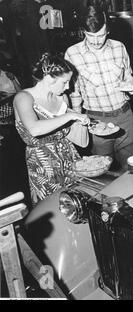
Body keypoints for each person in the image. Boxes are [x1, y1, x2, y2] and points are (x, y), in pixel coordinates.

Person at [65, 6, 133, 171]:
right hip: (96, 120)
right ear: (83, 32)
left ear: (108, 29)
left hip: (125, 115)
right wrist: (78, 119)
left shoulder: (119, 47)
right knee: (102, 167)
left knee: (130, 165)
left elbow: (128, 76)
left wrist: (132, 86)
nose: (96, 41)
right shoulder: (72, 54)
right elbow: (74, 91)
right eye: (90, 36)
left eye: (100, 35)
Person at [13, 53, 90, 205]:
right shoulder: (23, 98)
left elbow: (80, 141)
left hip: (70, 158)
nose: (68, 87)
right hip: (43, 164)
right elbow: (34, 129)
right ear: (49, 79)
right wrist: (69, 116)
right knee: (52, 206)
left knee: (77, 203)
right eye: (65, 82)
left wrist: (80, 115)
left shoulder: (62, 98)